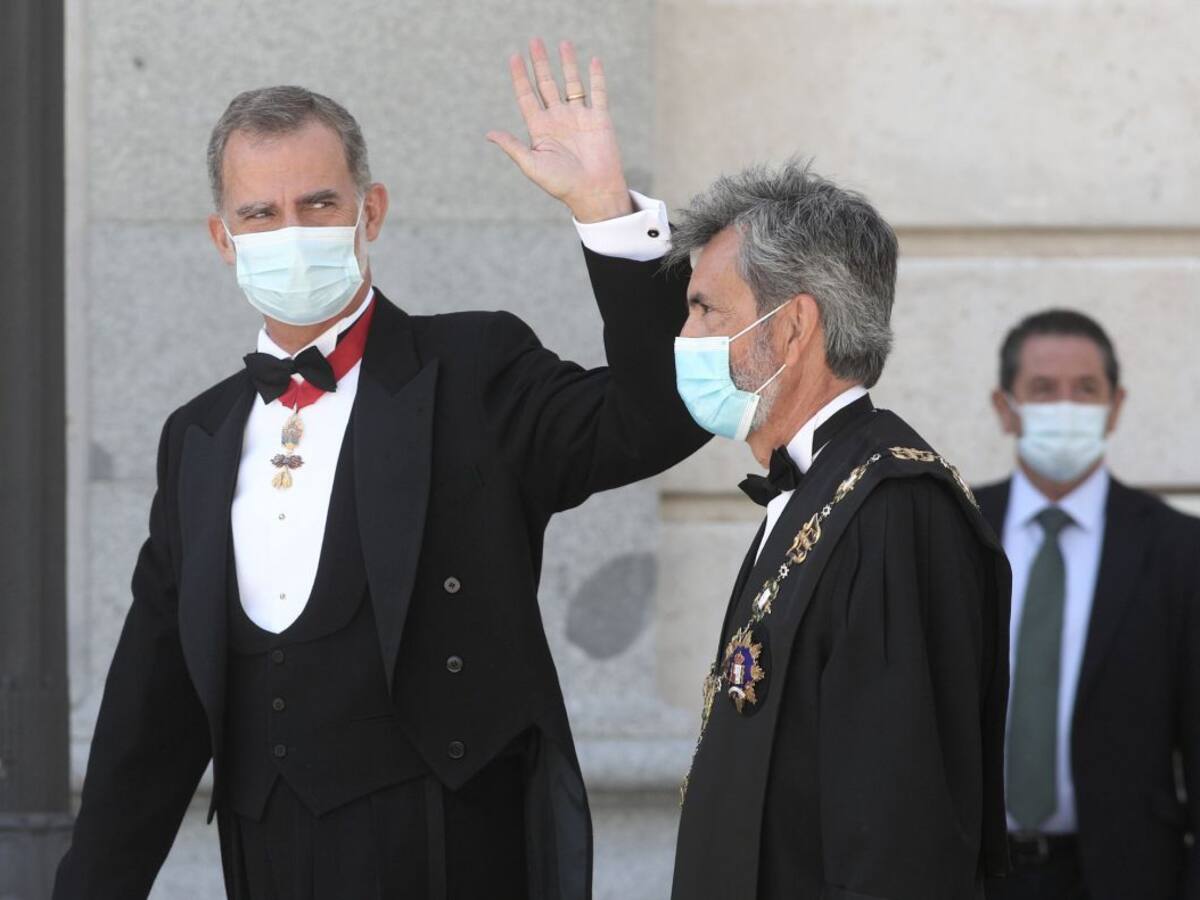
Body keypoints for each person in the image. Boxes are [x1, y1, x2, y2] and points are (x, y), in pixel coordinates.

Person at [53, 39, 708, 900]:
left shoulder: (474, 370)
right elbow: (152, 707)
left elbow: (655, 422)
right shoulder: (197, 437)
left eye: (319, 203)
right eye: (261, 214)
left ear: (372, 212)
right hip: (268, 859)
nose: (291, 233)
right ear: (223, 238)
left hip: (449, 852)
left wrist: (607, 217)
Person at [667, 161, 1012, 900]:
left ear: (792, 327)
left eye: (706, 310)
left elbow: (897, 830)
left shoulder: (894, 511)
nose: (685, 336)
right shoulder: (821, 487)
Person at [978, 310, 1200, 900]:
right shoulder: (954, 530)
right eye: (1043, 389)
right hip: (971, 873)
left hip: (1126, 874)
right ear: (1005, 407)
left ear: (1115, 406)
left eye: (1085, 389)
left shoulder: (1179, 550)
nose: (1066, 407)